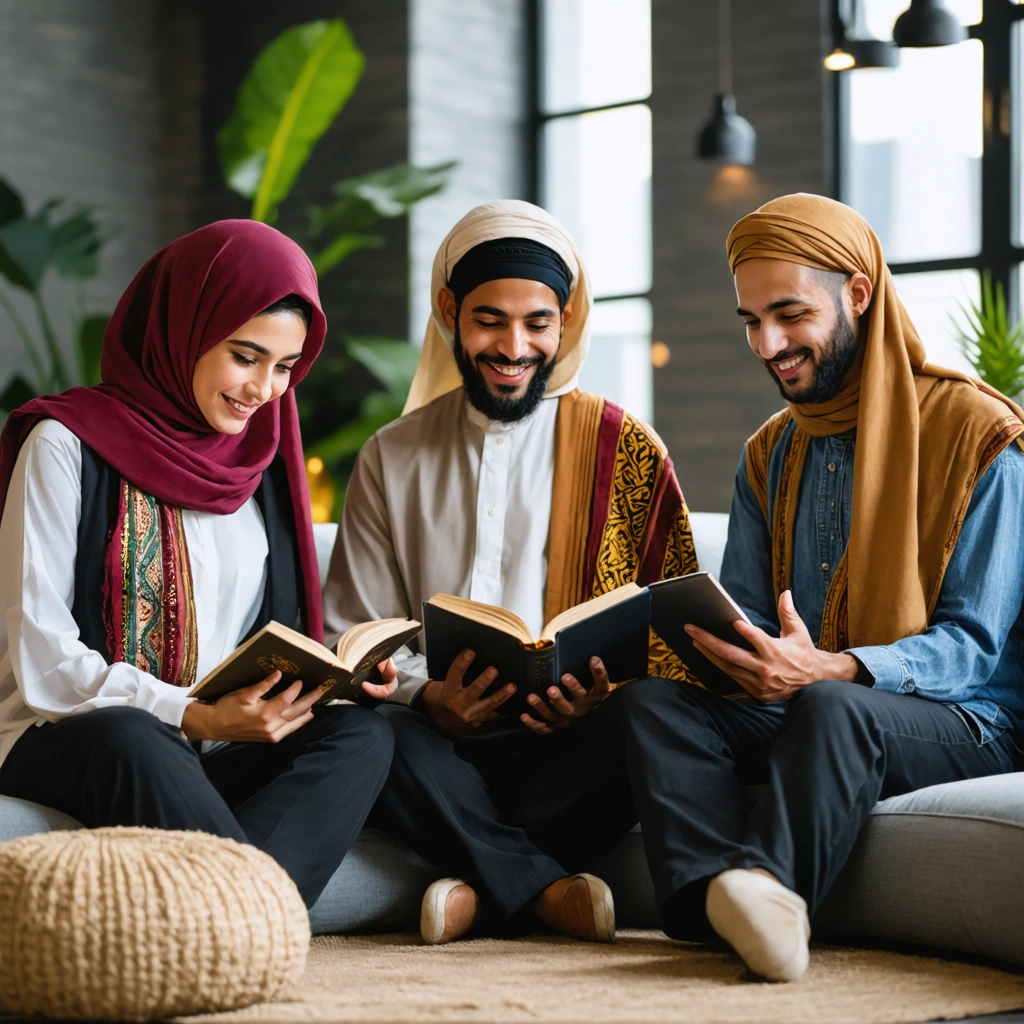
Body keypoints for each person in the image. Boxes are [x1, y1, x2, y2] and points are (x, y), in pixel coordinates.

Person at [619, 194, 1024, 982]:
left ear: (858, 295)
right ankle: (711, 908)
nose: (767, 344)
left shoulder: (981, 437)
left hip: (968, 721)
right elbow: (744, 612)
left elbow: (971, 649)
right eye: (750, 321)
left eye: (789, 314)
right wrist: (724, 653)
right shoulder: (769, 453)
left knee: (835, 706)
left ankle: (771, 893)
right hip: (807, 703)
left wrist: (834, 668)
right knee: (655, 704)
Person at [324, 200, 699, 944]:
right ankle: (541, 889)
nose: (514, 346)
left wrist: (598, 695)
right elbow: (353, 633)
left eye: (537, 322)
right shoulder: (391, 455)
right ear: (449, 313)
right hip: (435, 744)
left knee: (654, 723)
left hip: (573, 746)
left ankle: (480, 884)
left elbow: (677, 635)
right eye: (490, 320)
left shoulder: (626, 446)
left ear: (567, 320)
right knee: (367, 734)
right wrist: (428, 697)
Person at [0, 220, 396, 910]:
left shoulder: (260, 464)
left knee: (360, 734)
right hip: (77, 734)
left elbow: (261, 636)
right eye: (246, 356)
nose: (264, 389)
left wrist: (330, 681)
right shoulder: (65, 445)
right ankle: (255, 917)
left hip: (216, 745)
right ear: (182, 329)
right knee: (136, 738)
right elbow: (44, 660)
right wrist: (195, 717)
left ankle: (231, 920)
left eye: (285, 367)